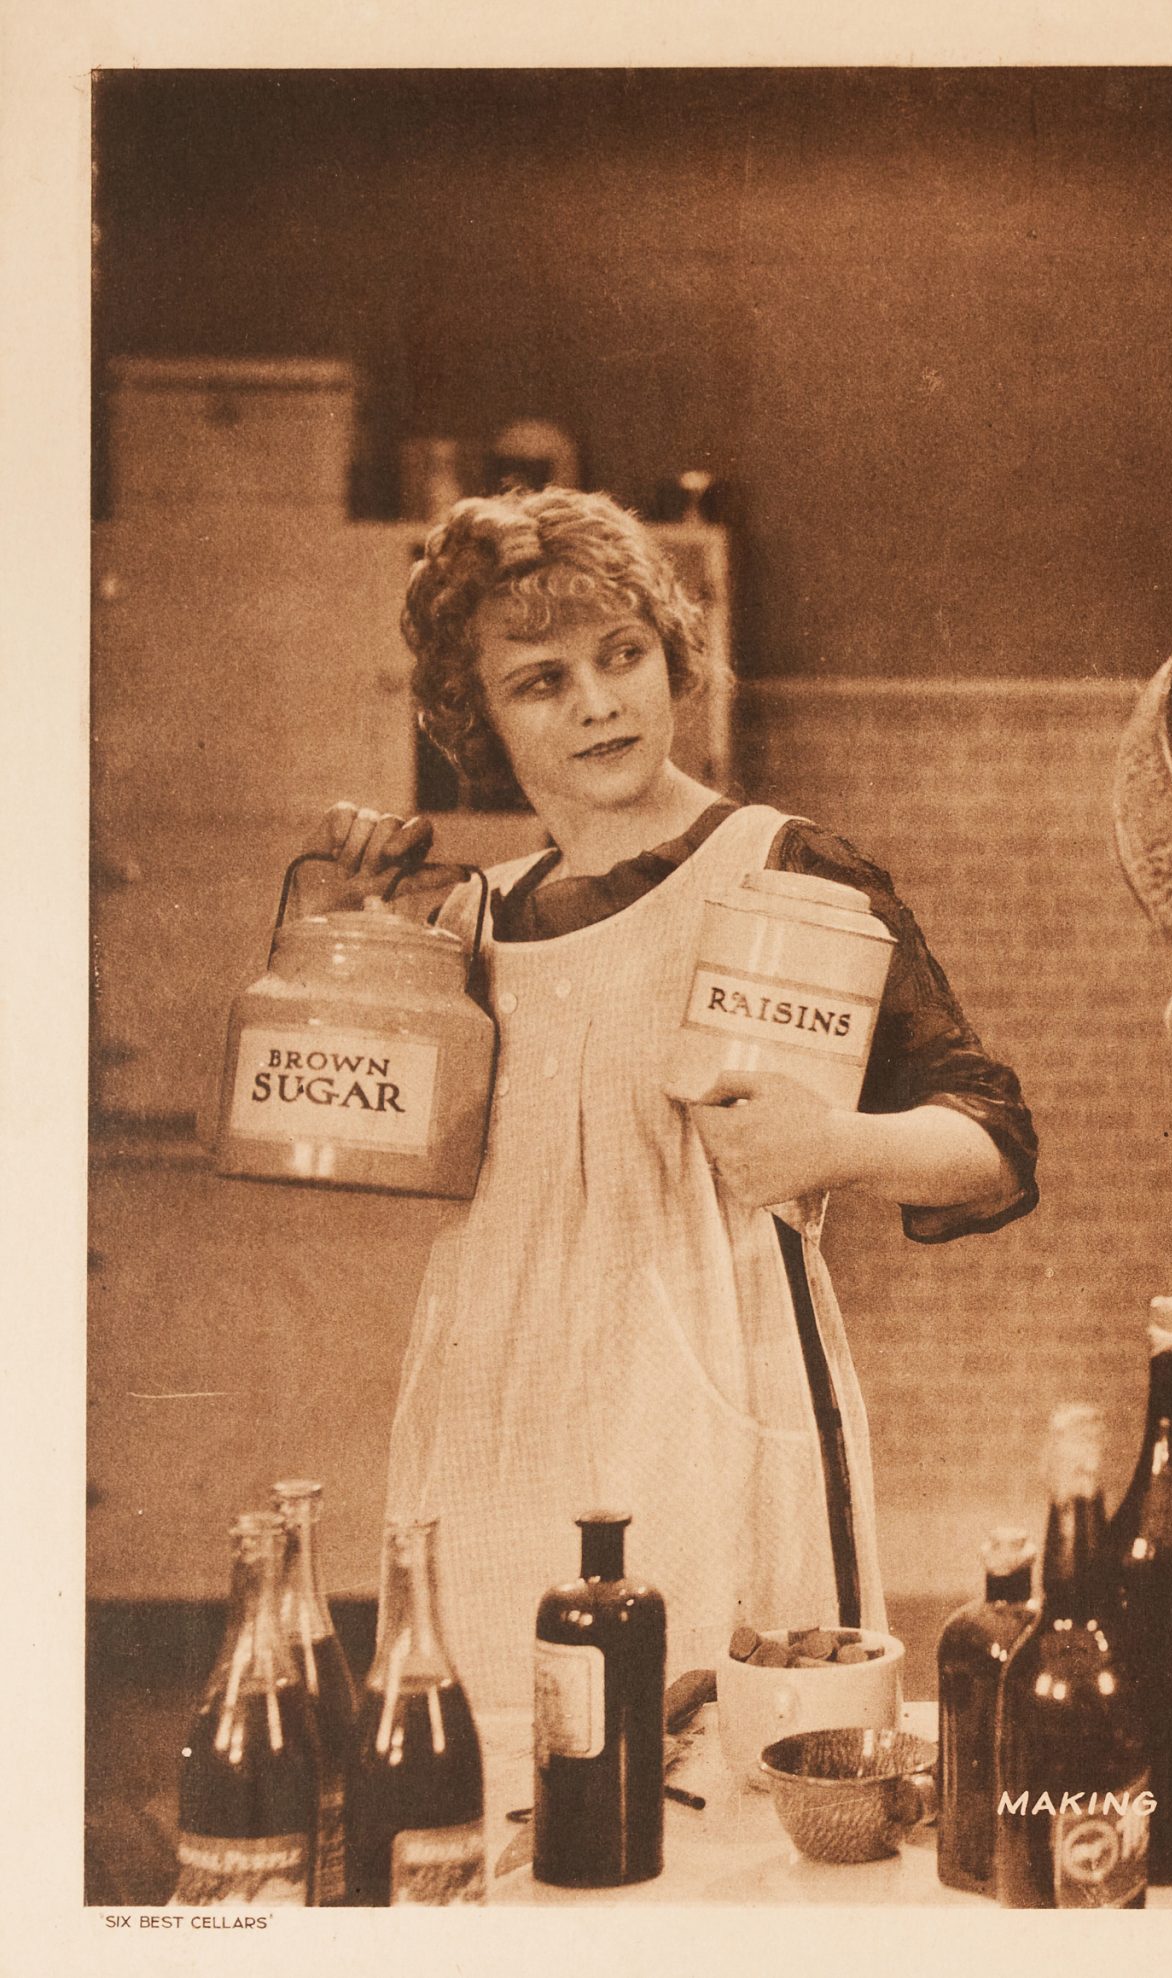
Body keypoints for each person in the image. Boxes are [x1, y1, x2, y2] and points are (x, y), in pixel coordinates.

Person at [313, 487, 1038, 1706]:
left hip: (715, 1395)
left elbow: (996, 1143)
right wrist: (354, 938)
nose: (598, 701)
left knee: (738, 1767)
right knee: (505, 1760)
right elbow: (359, 1140)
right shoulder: (470, 916)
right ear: (477, 718)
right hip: (496, 1399)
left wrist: (833, 1143)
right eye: (540, 681)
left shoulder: (784, 865)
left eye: (623, 655)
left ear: (671, 656)